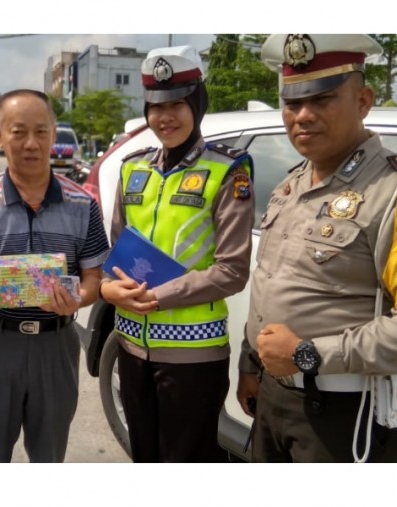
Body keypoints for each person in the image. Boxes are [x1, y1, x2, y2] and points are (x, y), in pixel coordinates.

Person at [237, 34, 397, 463]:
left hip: (344, 416)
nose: (302, 116)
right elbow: (269, 282)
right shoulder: (292, 184)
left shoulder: (389, 193)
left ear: (364, 100)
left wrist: (308, 354)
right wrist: (250, 364)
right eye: (292, 103)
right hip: (273, 399)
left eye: (323, 99)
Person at [99, 45, 255, 462]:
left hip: (193, 355)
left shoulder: (228, 170)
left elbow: (232, 271)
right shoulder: (134, 168)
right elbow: (114, 253)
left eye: (176, 104)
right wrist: (111, 289)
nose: (164, 116)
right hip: (130, 347)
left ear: (197, 102)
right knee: (144, 457)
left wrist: (157, 296)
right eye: (155, 106)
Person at [0, 89, 109, 463]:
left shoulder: (83, 204)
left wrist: (79, 298)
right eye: (18, 132)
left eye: (41, 131)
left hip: (57, 345)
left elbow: (93, 279)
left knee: (49, 457)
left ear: (54, 134)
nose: (31, 143)